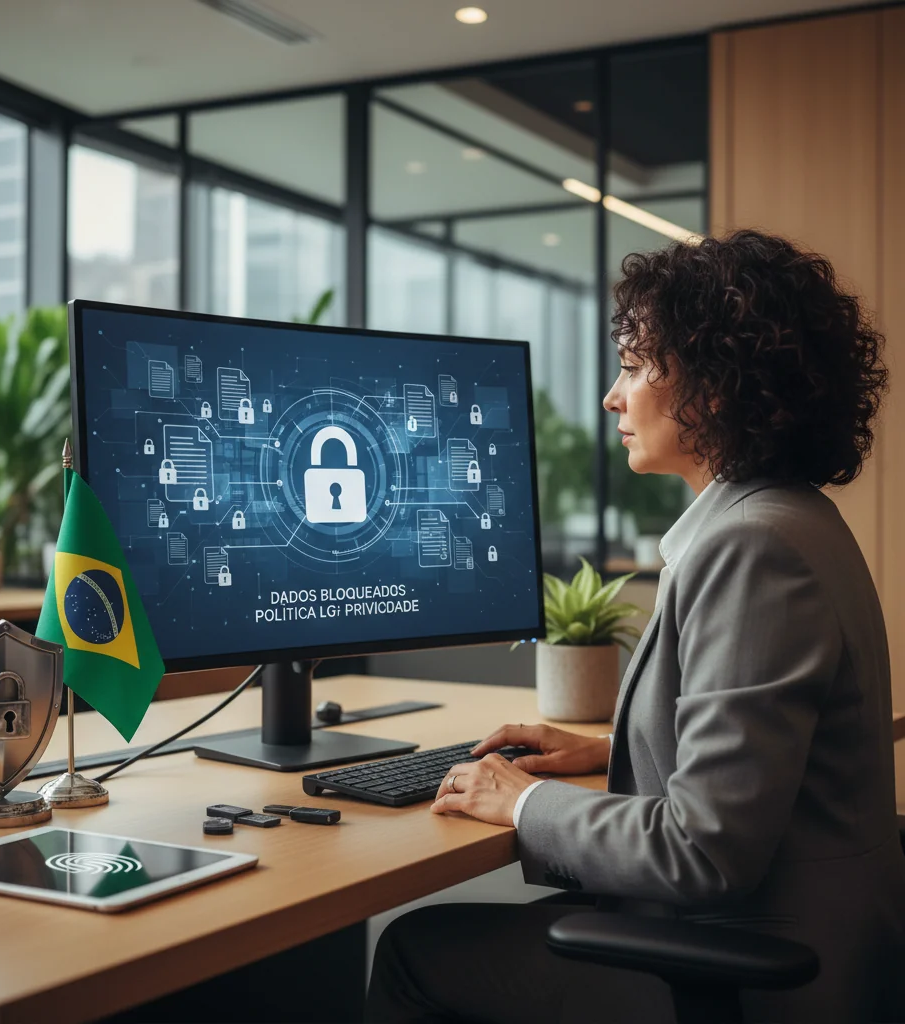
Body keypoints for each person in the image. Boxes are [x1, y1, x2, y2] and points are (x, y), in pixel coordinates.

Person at [366, 230, 905, 1023]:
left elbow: (704, 849)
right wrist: (608, 750)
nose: (613, 397)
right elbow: (758, 757)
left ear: (713, 387)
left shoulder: (752, 548)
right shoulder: (792, 519)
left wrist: (522, 802)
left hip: (762, 977)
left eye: (632, 365)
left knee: (413, 950)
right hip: (815, 943)